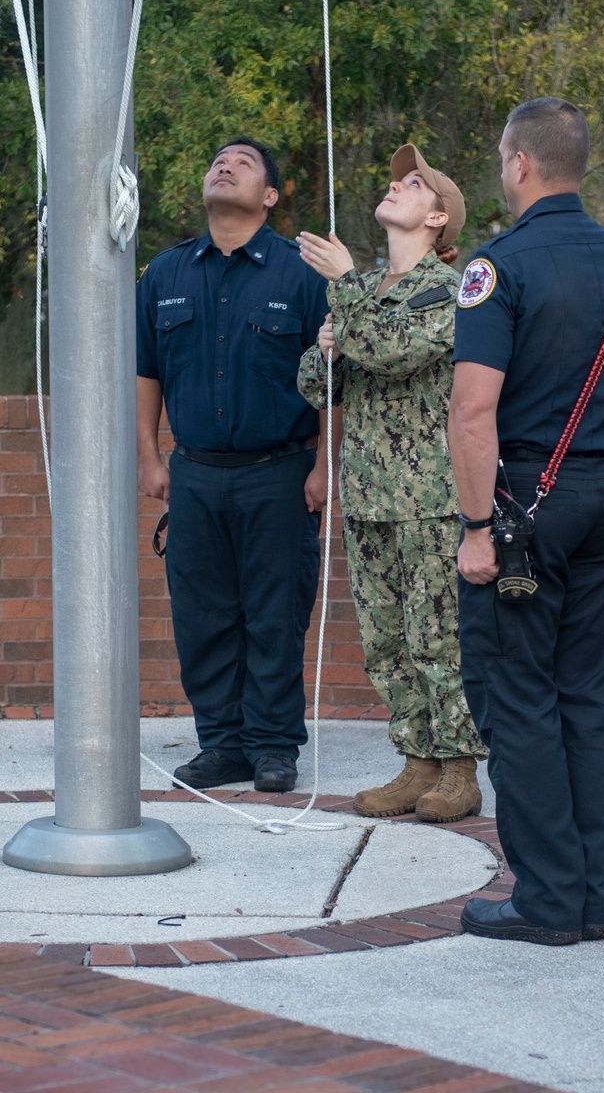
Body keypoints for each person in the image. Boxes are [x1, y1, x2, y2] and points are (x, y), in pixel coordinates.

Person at [449, 97, 604, 944]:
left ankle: (545, 901)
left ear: (518, 164)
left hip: (520, 511)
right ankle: (590, 898)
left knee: (518, 698)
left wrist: (477, 528)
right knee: (585, 699)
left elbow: (474, 413)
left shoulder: (497, 267)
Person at [296, 145, 487, 823]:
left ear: (437, 218)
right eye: (395, 177)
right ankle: (418, 763)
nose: (393, 184)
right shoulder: (369, 293)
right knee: (387, 640)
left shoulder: (453, 287)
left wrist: (346, 290)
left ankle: (460, 772)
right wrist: (326, 349)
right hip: (372, 496)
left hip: (431, 496)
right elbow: (316, 386)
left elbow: (393, 351)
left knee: (438, 638)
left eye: (411, 183)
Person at [136, 138, 330, 794]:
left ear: (269, 196)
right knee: (203, 615)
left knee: (275, 615)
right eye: (217, 160)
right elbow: (146, 373)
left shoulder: (302, 273)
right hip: (194, 475)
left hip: (279, 471)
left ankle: (273, 746)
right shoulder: (165, 274)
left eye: (243, 164)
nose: (224, 166)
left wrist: (323, 466)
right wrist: (148, 455)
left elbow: (335, 376)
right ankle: (221, 744)